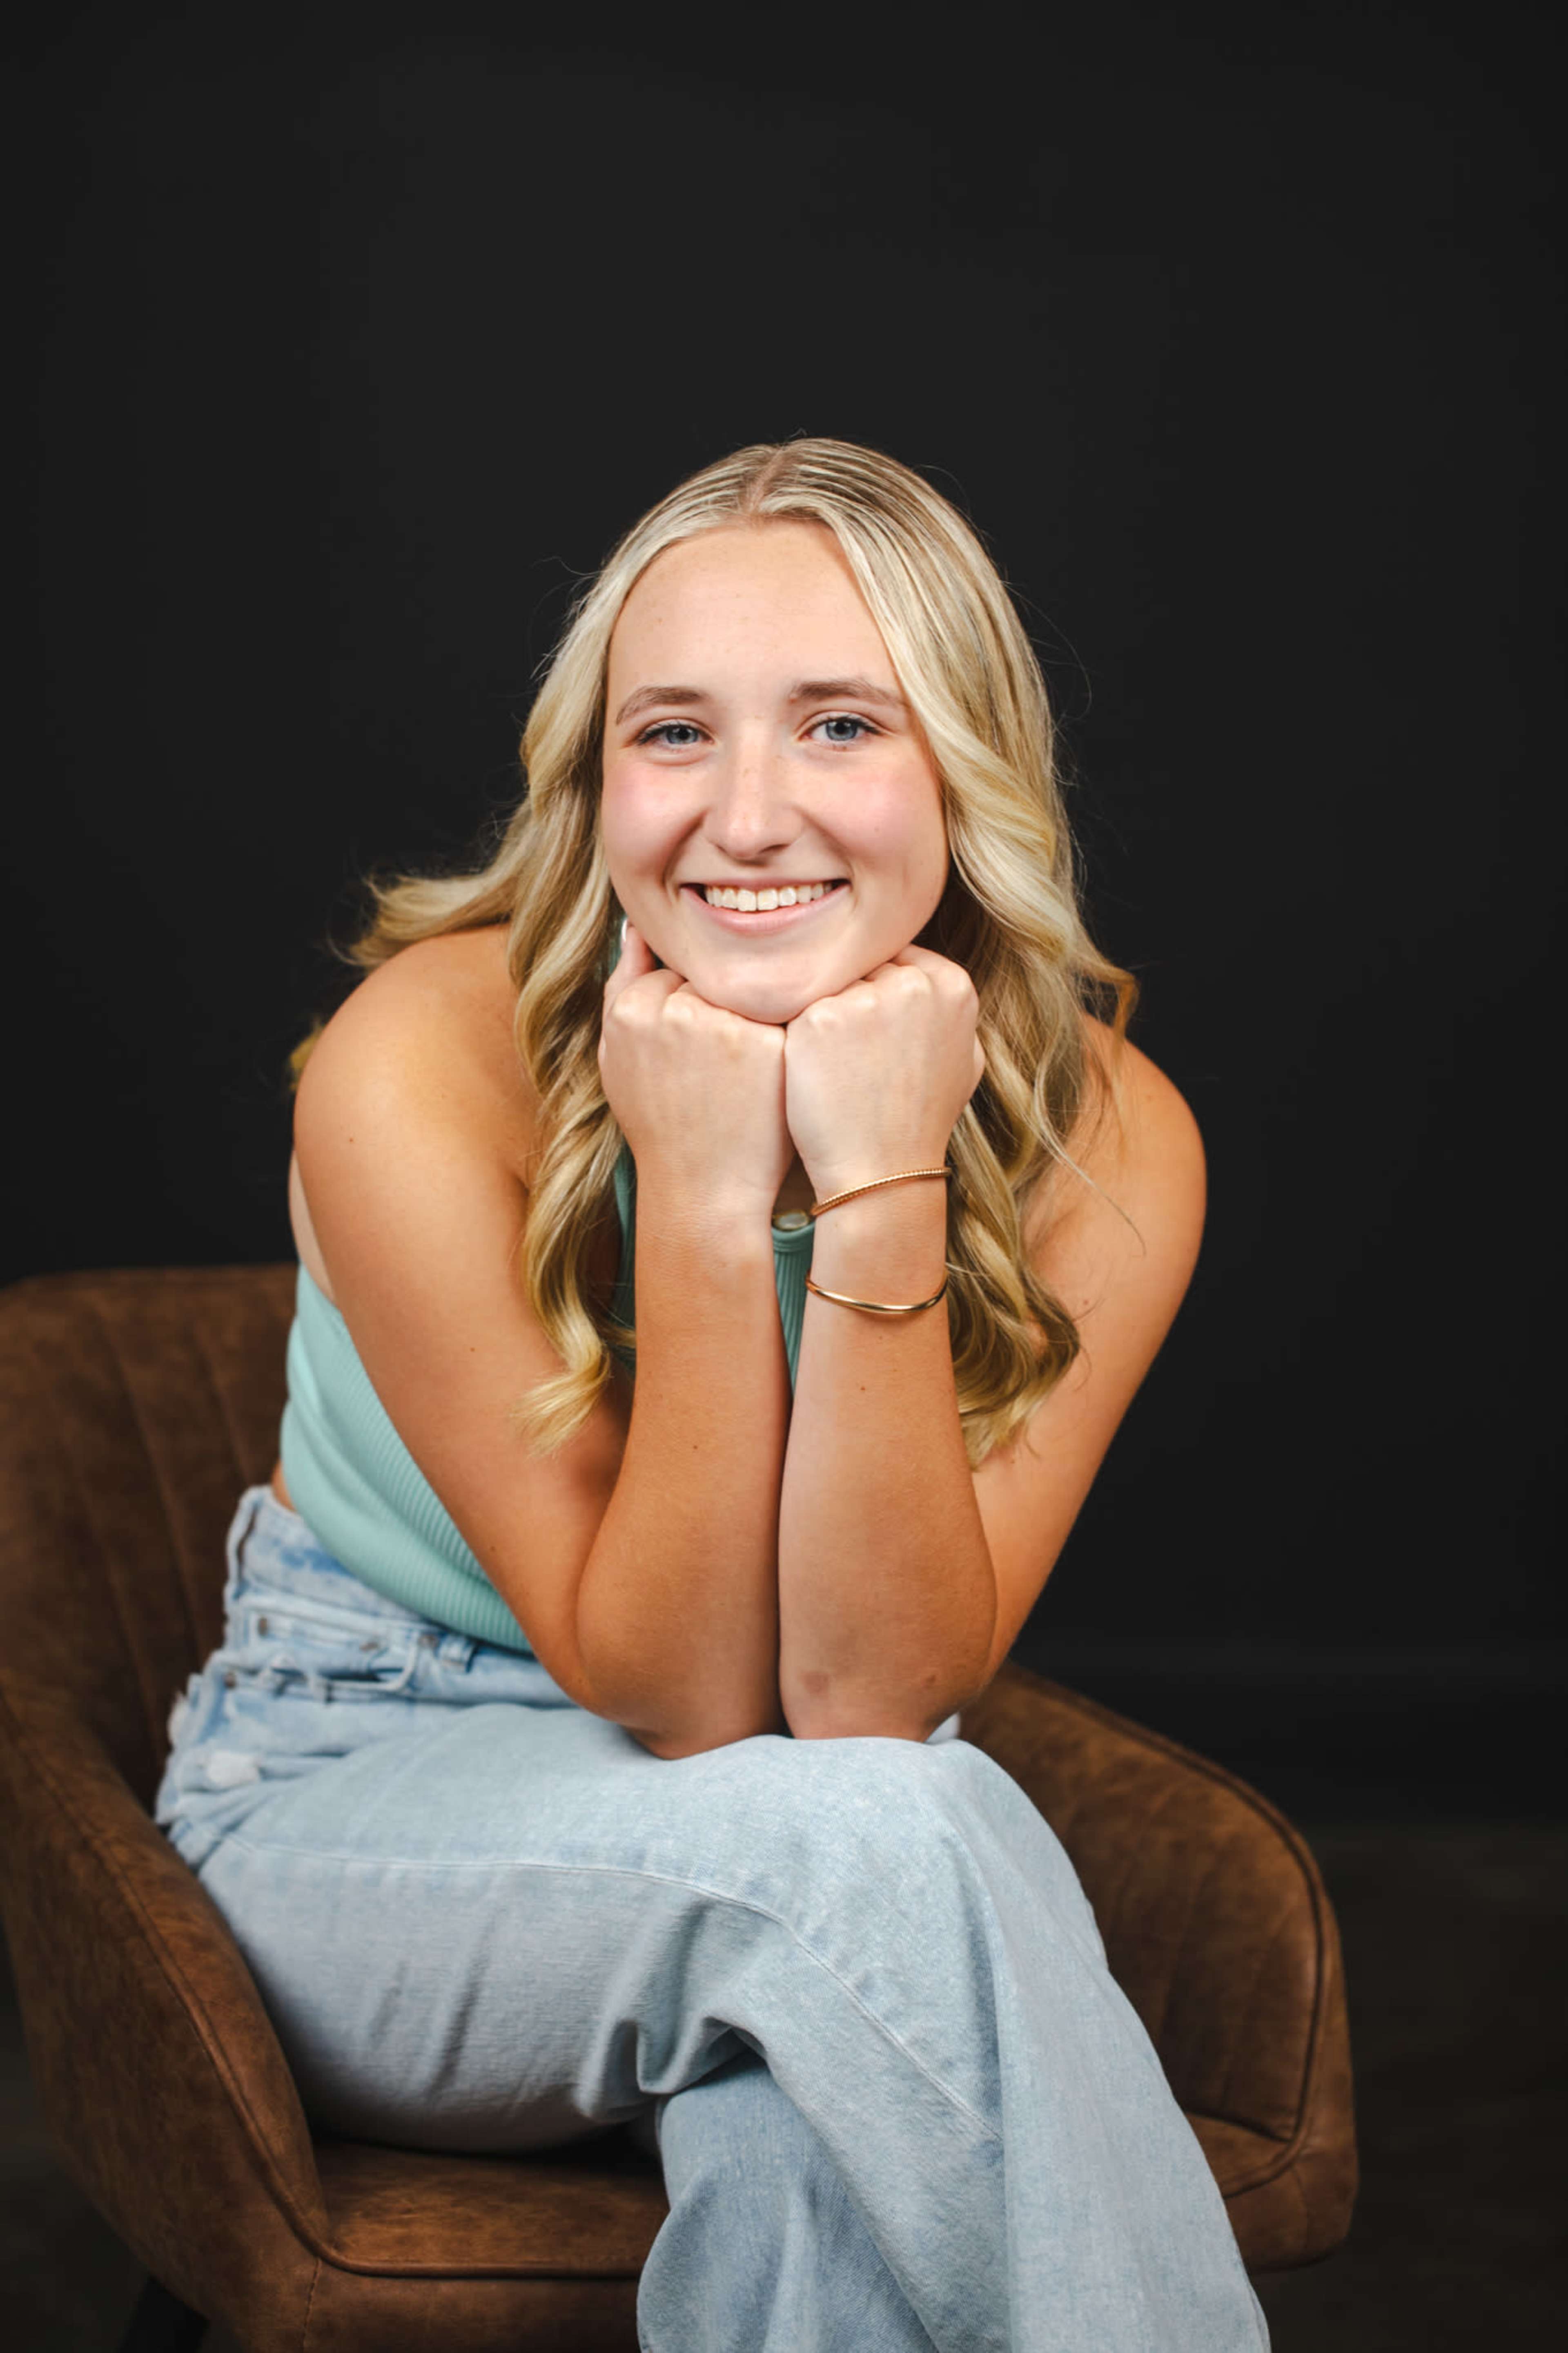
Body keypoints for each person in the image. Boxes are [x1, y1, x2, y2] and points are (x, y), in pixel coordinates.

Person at [156, 437, 1269, 2350]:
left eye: (841, 724)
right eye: (674, 735)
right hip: (352, 1799)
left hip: (794, 1837)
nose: (747, 816)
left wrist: (889, 1171)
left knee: (821, 2119)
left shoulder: (1113, 1138)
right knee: (898, 1845)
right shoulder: (419, 1059)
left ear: (963, 770)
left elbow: (857, 1694)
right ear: (597, 785)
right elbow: (690, 1696)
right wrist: (699, 1185)